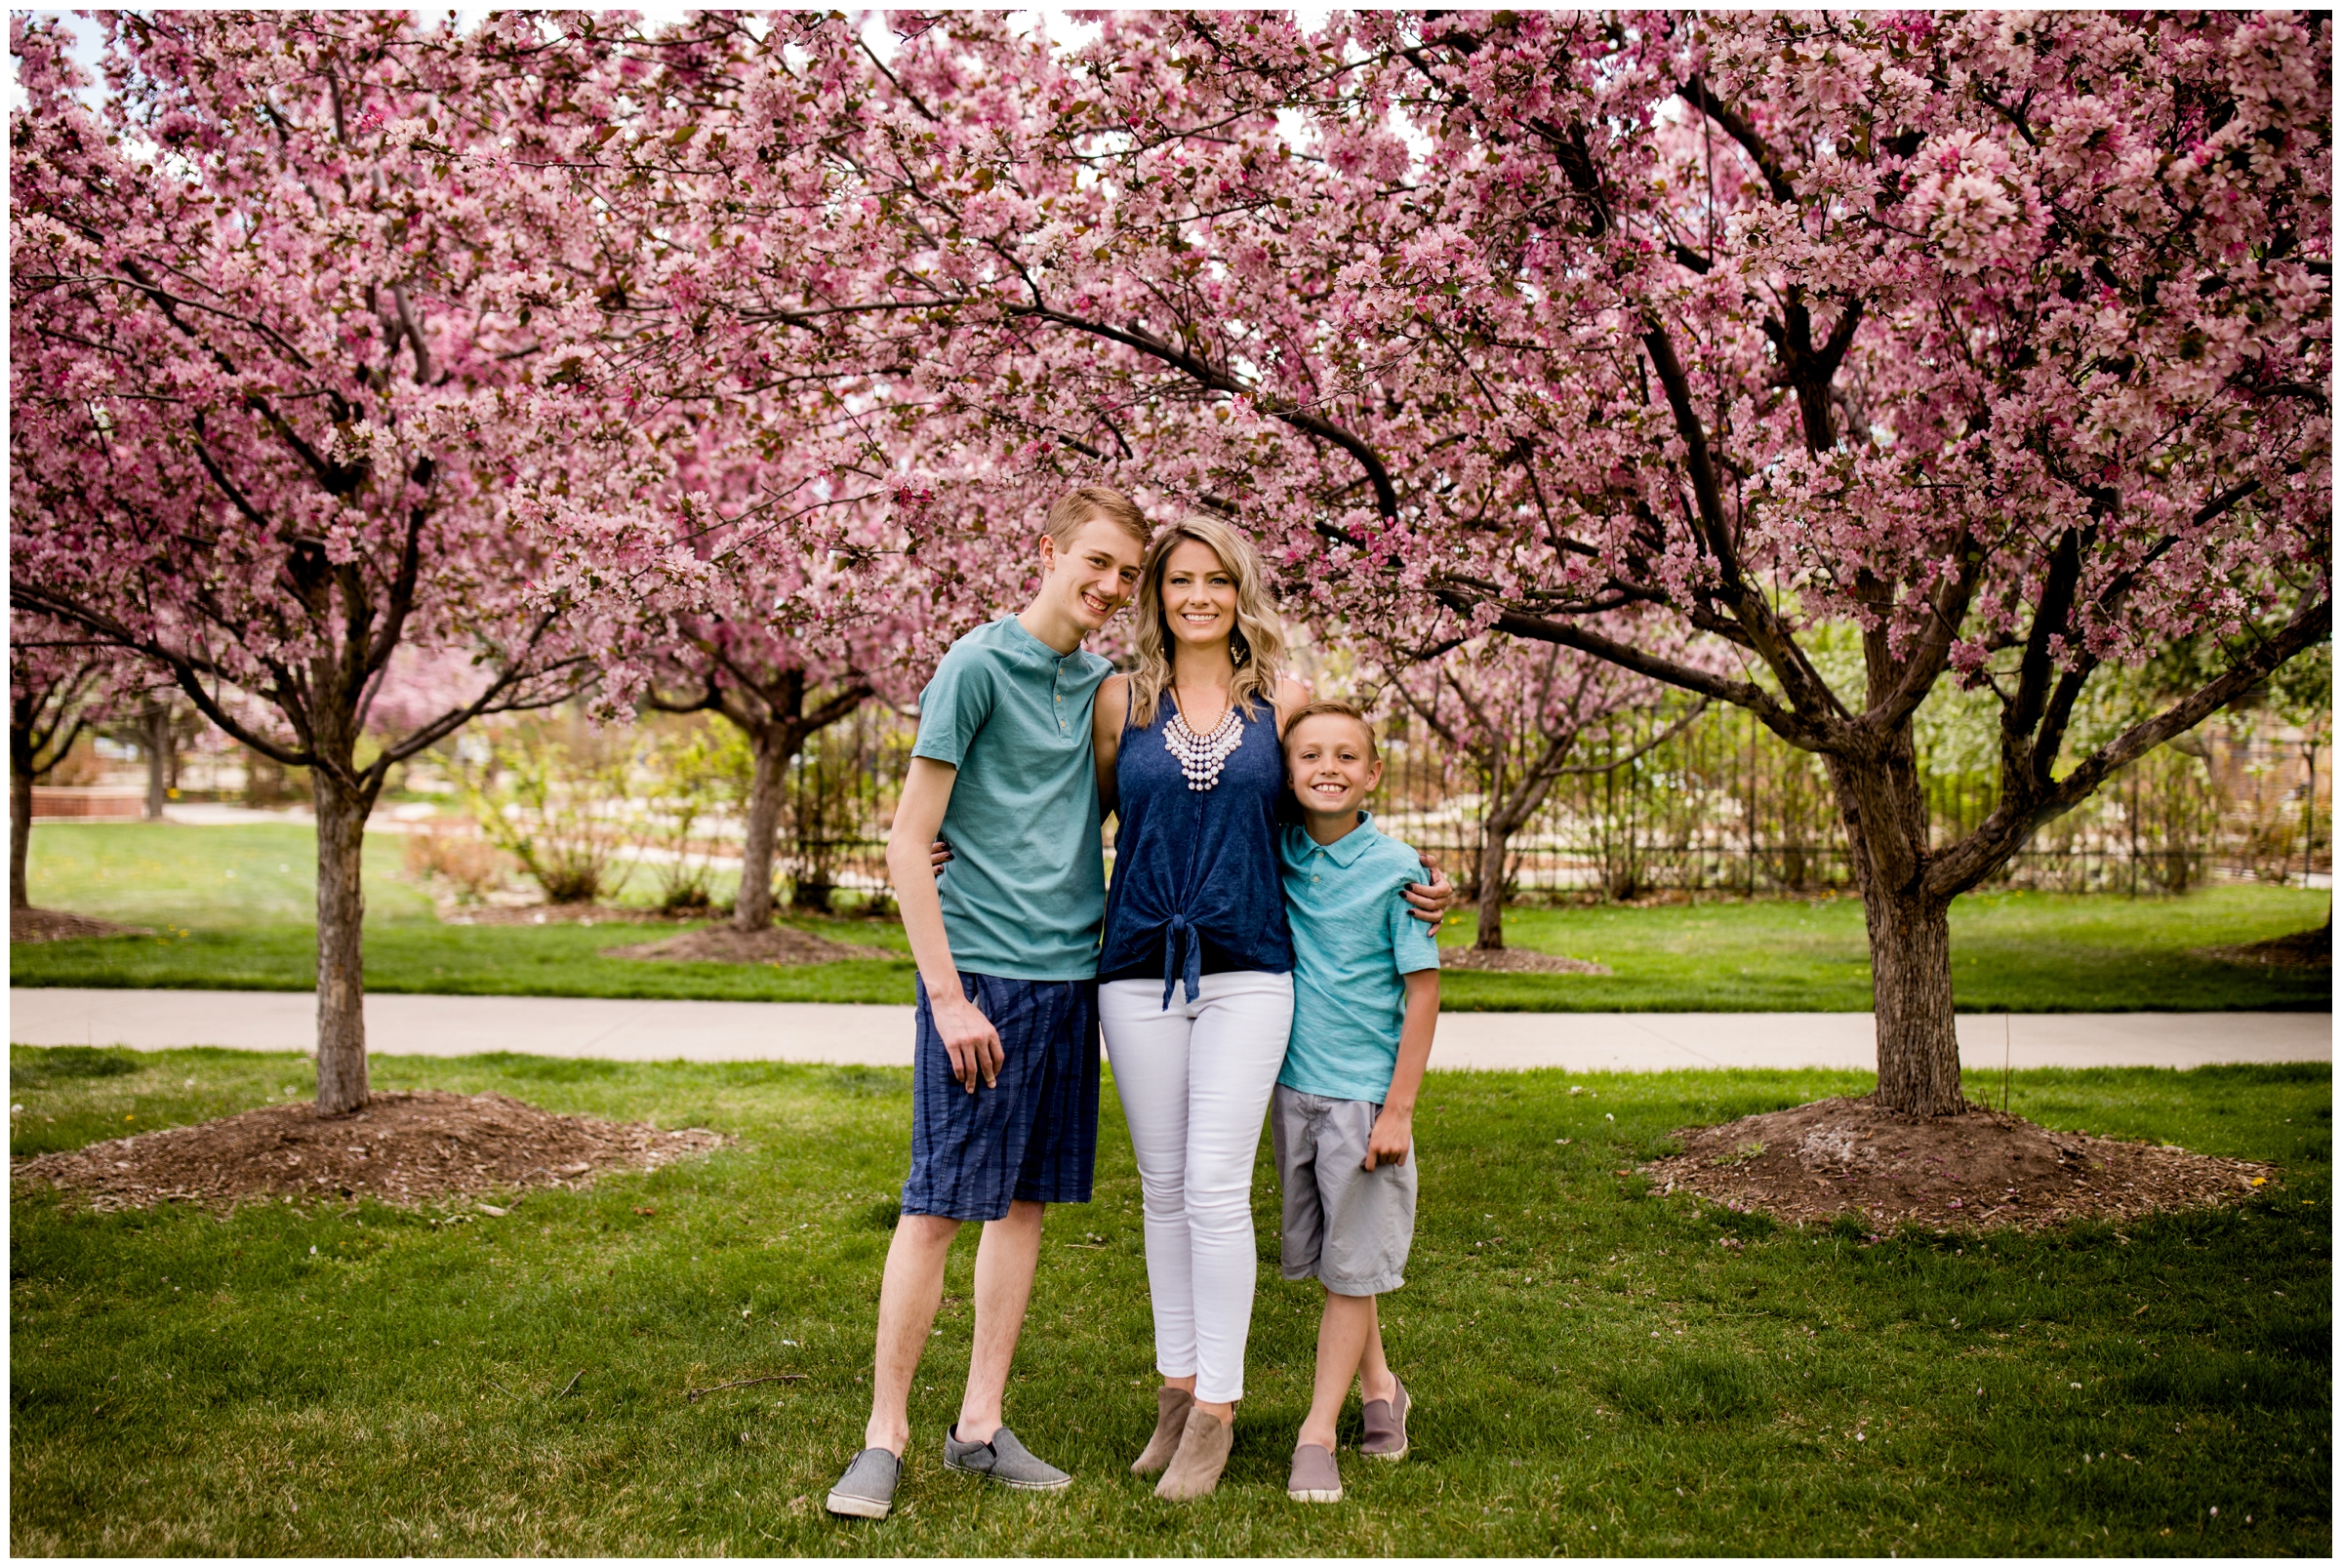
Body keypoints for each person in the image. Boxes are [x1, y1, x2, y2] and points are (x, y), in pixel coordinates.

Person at [1091, 517, 1451, 1502]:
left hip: (1253, 965)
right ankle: (1175, 1386)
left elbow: (1326, 810)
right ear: (1155, 594)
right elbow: (1075, 822)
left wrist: (1411, 881)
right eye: (1178, 581)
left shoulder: (1280, 700)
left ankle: (1219, 1405)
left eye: (1215, 579)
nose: (1197, 596)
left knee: (1213, 1180)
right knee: (1162, 1186)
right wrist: (959, 849)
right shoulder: (1120, 699)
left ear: (1237, 589)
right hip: (1135, 969)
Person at [825, 485, 1151, 1522]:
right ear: (1048, 551)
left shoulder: (1103, 689)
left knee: (1022, 1204)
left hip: (1070, 979)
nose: (1107, 587)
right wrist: (949, 996)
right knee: (934, 1207)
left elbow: (1094, 810)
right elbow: (904, 841)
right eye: (1094, 562)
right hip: (981, 983)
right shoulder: (974, 665)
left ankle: (980, 1423)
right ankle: (885, 1434)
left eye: (1126, 576)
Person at [1270, 701, 1440, 1506]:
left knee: (1350, 1267)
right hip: (1292, 1091)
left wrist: (1398, 1106)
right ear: (1287, 771)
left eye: (1347, 755)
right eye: (1309, 754)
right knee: (1341, 1261)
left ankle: (1315, 1431)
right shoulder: (1278, 853)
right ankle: (1383, 1389)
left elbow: (1424, 991)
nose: (1327, 767)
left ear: (1373, 773)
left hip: (1364, 1099)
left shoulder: (1398, 868)